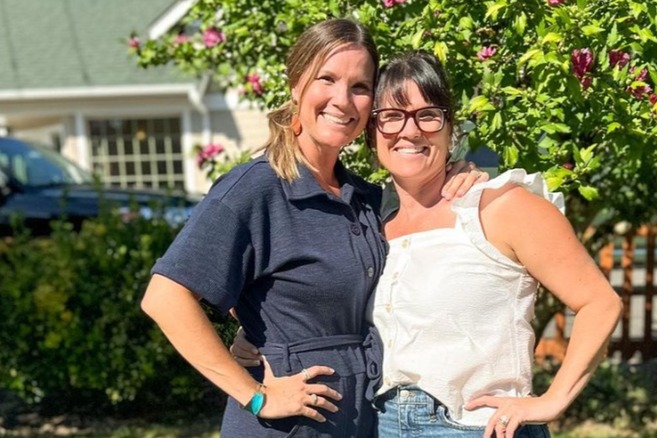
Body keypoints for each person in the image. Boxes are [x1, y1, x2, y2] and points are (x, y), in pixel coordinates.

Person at [232, 50, 623, 438]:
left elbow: (599, 303)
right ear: (372, 133)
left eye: (428, 115)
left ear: (450, 130)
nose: (411, 130)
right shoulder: (370, 222)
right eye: (392, 117)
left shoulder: (500, 207)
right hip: (378, 425)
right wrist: (256, 331)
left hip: (475, 427)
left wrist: (551, 401)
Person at [140, 20, 484, 438]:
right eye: (327, 79)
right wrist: (255, 395)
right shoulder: (255, 189)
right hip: (286, 429)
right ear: (296, 84)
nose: (343, 100)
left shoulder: (367, 198)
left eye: (360, 87)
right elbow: (164, 298)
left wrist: (454, 175)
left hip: (364, 423)